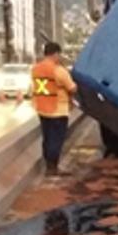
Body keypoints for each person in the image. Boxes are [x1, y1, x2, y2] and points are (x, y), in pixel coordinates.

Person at [31, 41, 78, 177]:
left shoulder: (36, 69)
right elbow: (72, 88)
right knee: (56, 140)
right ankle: (53, 168)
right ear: (56, 54)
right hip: (58, 110)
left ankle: (48, 165)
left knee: (47, 138)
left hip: (42, 109)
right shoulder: (59, 70)